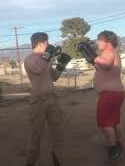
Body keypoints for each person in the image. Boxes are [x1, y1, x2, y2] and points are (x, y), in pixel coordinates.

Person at [24, 32, 71, 166]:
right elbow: (38, 69)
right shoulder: (30, 59)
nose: (49, 45)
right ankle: (31, 162)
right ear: (40, 43)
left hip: (53, 99)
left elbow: (54, 77)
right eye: (46, 43)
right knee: (35, 135)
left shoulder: (47, 59)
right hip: (38, 100)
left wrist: (61, 65)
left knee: (58, 133)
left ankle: (58, 160)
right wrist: (48, 55)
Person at [78, 30, 125, 163]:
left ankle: (114, 151)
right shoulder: (107, 53)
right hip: (115, 93)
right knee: (114, 122)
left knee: (105, 124)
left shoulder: (109, 52)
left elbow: (106, 64)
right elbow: (102, 67)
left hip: (109, 94)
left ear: (108, 42)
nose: (98, 42)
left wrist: (93, 56)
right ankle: (118, 146)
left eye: (100, 40)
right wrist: (91, 57)